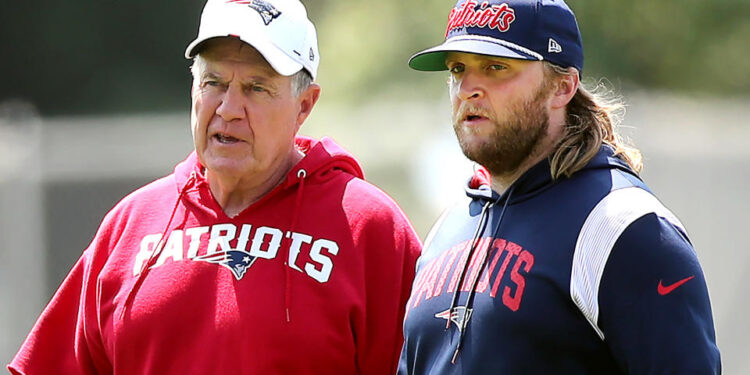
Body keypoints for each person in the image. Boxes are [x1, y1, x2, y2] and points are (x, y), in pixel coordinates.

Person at [9, 0, 421, 374]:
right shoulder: (131, 224)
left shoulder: (369, 229)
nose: (228, 109)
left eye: (256, 88)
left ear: (304, 106)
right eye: (214, 83)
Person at [397, 0, 721, 374]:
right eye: (458, 68)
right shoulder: (448, 227)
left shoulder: (624, 227)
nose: (467, 88)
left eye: (496, 67)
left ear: (562, 87)